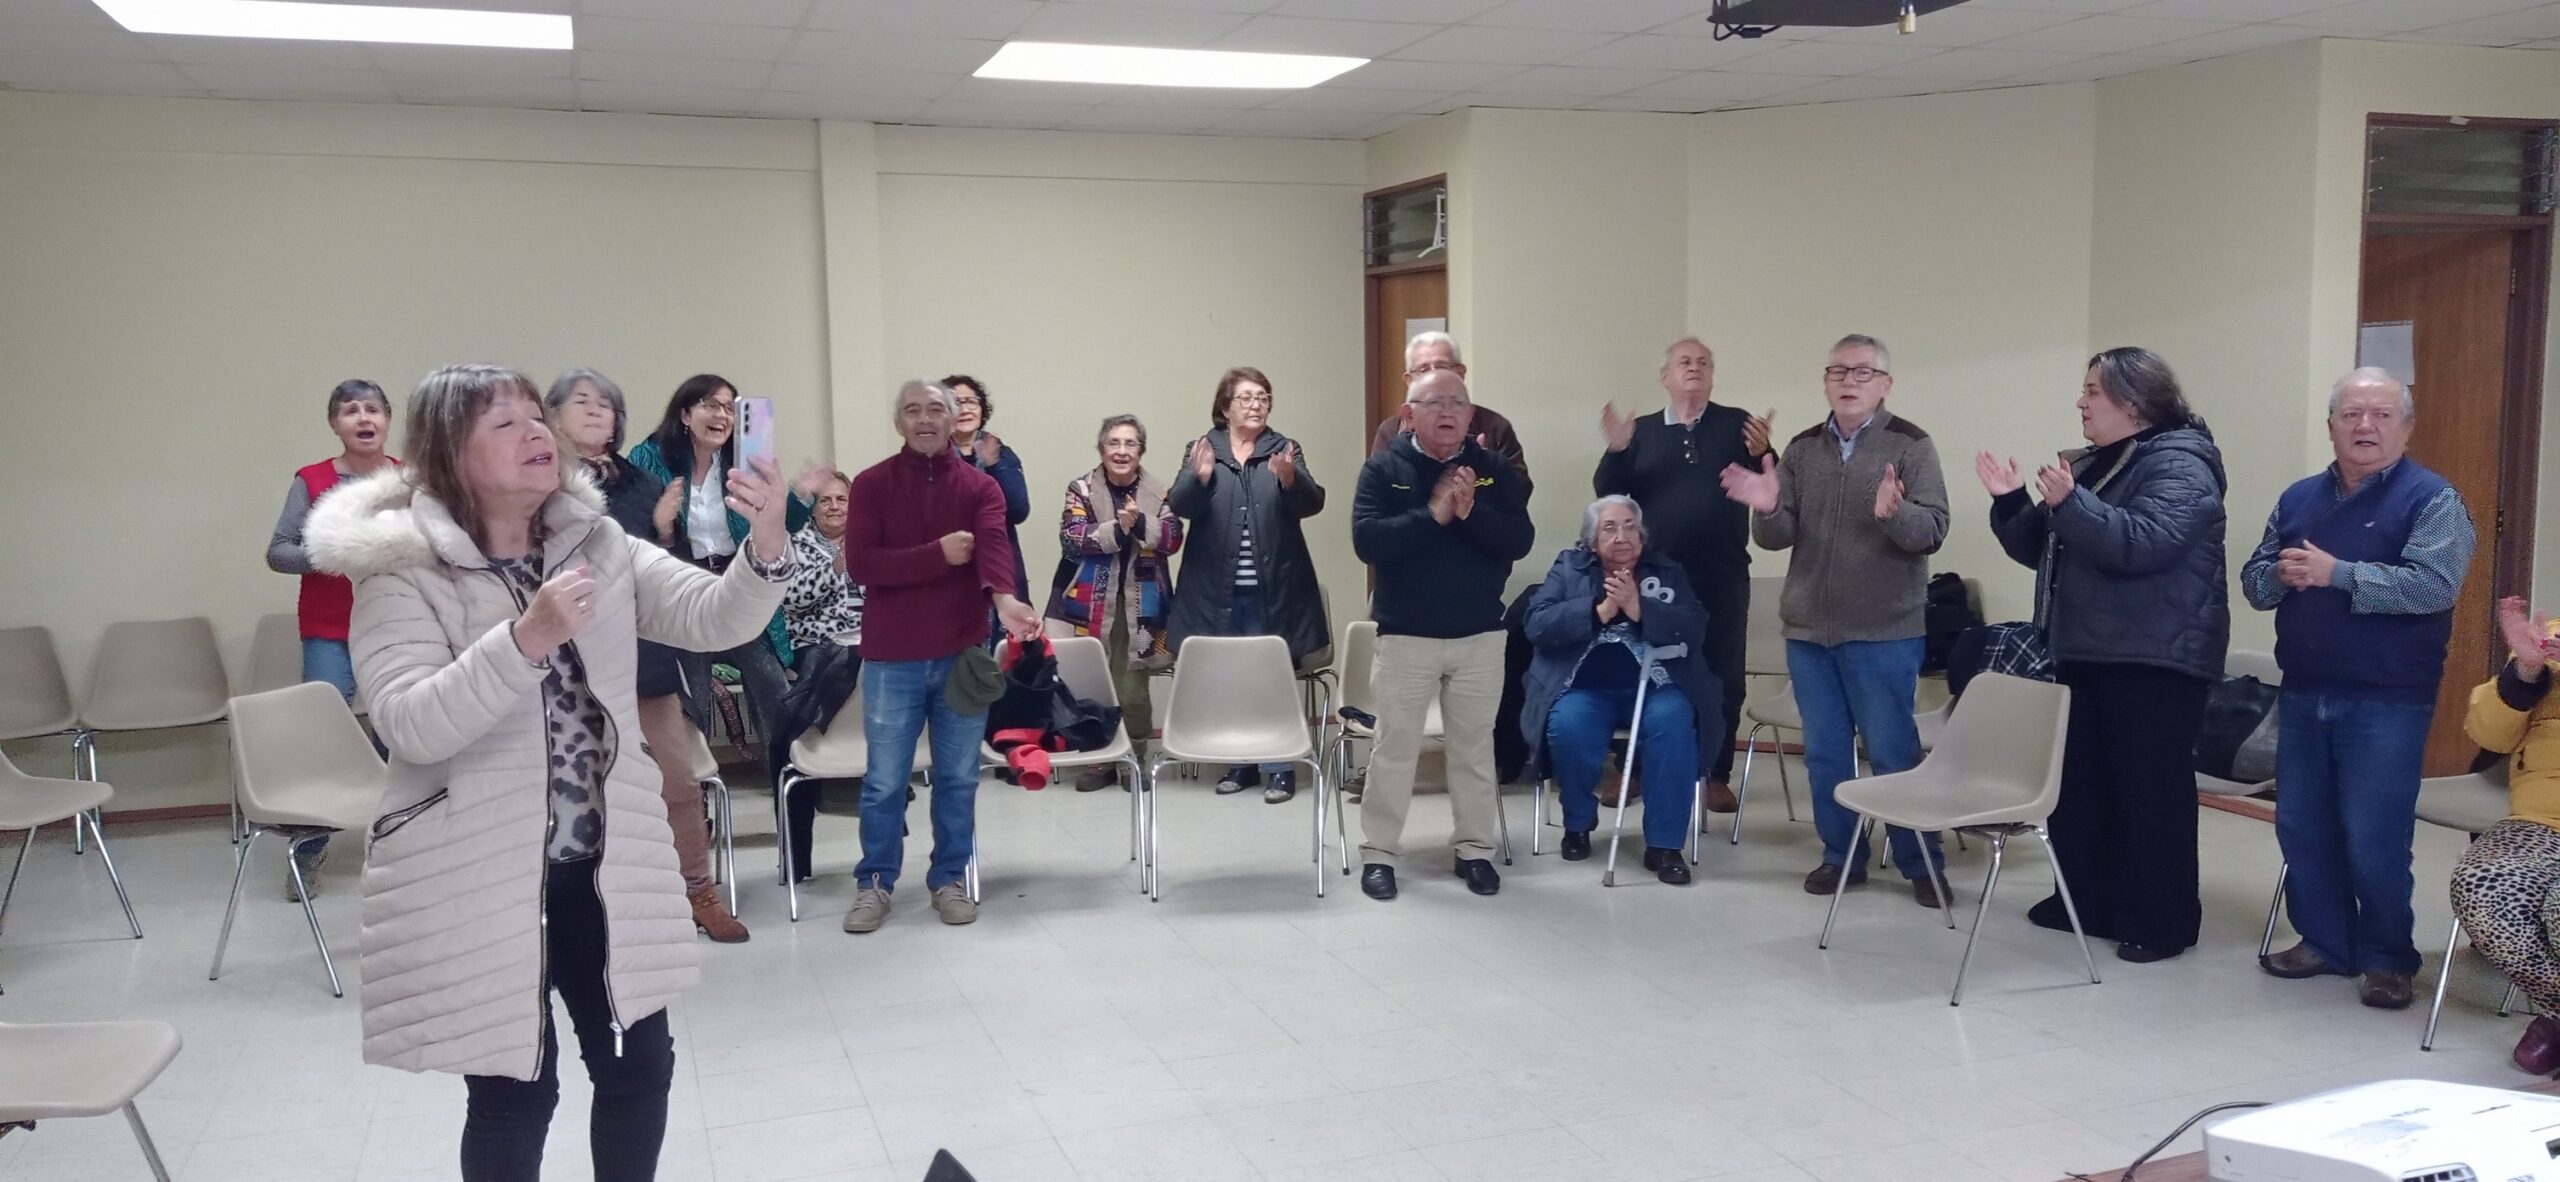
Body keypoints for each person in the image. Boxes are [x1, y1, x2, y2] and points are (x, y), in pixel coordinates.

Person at [304, 363, 794, 1180]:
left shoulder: (594, 540)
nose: (537, 433)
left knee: (640, 1067)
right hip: (483, 869)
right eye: (505, 423)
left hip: (603, 862)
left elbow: (712, 618)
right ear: (448, 454)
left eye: (537, 417)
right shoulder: (400, 568)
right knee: (514, 1095)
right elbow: (410, 723)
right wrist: (523, 639)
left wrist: (767, 541)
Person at [1981, 346, 2228, 963]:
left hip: (2156, 658)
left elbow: (2144, 544)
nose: (2080, 402)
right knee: (2084, 787)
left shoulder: (2183, 463)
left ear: (2135, 402)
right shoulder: (2095, 462)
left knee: (2149, 795)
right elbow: (2044, 547)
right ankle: (2087, 901)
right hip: (2088, 649)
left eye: (2093, 391)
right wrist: (2012, 500)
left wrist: (2072, 504)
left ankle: (2163, 921)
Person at [2246, 368, 2475, 1008]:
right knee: (2302, 826)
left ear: (2405, 427)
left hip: (2388, 698)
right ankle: (2324, 941)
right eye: (2350, 415)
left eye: (2379, 415)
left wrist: (2336, 573)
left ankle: (2386, 957)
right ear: (2331, 427)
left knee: (2374, 836)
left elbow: (2433, 587)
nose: (2364, 427)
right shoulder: (2297, 498)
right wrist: (2280, 575)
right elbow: (2254, 580)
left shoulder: (2433, 500)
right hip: (2303, 688)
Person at [1721, 334, 1952, 907]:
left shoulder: (1912, 444)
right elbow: (1775, 538)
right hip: (1808, 632)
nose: (1849, 381)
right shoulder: (1801, 449)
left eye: (1863, 372)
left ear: (1885, 385)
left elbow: (1934, 530)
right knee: (1825, 753)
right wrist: (1767, 504)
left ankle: (1919, 860)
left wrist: (1897, 513)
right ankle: (1840, 854)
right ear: (1826, 381)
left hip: (1884, 631)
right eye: (1838, 371)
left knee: (1892, 751)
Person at [546, 368, 751, 945]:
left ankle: (699, 893)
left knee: (677, 779)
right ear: (553, 414)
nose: (595, 411)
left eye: (606, 404)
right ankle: (597, 904)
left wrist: (664, 531)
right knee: (583, 789)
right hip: (570, 661)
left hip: (644, 655)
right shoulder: (544, 485)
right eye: (581, 401)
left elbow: (666, 572)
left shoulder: (638, 481)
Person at [838, 380, 1041, 934]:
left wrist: (1006, 597)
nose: (925, 419)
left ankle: (949, 879)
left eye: (936, 410)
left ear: (955, 421)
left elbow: (993, 549)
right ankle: (874, 883)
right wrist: (937, 555)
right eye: (912, 410)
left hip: (961, 655)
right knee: (883, 780)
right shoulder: (873, 485)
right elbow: (863, 565)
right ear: (898, 423)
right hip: (891, 659)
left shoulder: (981, 488)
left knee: (958, 778)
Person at [1350, 369, 1535, 901]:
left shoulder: (1493, 470)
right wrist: (1433, 515)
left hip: (1479, 634)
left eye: (1458, 402)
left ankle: (1474, 850)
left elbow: (1519, 539)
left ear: (1471, 415)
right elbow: (1369, 541)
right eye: (1434, 403)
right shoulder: (1384, 470)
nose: (1448, 411)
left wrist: (1471, 512)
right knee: (1395, 748)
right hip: (1407, 635)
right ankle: (1380, 854)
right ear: (1409, 415)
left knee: (1474, 750)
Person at [1597, 336, 1772, 818]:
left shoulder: (1739, 425)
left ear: (1712, 376)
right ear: (1665, 377)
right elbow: (1609, 496)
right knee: (1644, 672)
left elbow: (1767, 488)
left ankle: (1716, 774)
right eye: (1684, 362)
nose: (1694, 369)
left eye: (1703, 363)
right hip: (1656, 579)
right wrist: (1616, 450)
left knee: (1723, 676)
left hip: (1723, 574)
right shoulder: (1643, 431)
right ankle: (1632, 767)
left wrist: (1764, 452)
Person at [1521, 496, 1717, 885]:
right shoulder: (1569, 568)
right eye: (1610, 528)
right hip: (1585, 687)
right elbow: (1537, 624)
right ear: (1592, 541)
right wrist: (1601, 611)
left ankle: (1664, 844)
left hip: (1658, 688)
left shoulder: (1667, 570)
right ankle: (1578, 822)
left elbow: (1694, 627)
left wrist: (1640, 609)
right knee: (1568, 725)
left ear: (1642, 537)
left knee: (1675, 721)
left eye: (1630, 526)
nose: (1622, 535)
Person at [627, 375, 827, 748]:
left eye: (729, 407)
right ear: (686, 415)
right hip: (683, 585)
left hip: (736, 580)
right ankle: (697, 792)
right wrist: (662, 527)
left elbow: (779, 527)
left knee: (774, 688)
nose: (722, 414)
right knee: (694, 698)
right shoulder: (648, 458)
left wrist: (799, 496)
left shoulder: (746, 463)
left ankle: (789, 783)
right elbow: (634, 533)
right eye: (710, 404)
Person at [1166, 366, 1331, 804]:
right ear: (1225, 406)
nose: (1256, 404)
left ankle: (1279, 767)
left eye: (1263, 397)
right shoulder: (1201, 448)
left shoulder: (1285, 448)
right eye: (1246, 397)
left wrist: (1291, 480)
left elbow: (1311, 504)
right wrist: (1197, 477)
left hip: (1274, 587)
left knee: (1271, 679)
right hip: (1215, 591)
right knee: (1230, 680)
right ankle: (1239, 763)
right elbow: (1181, 506)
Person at [263, 378, 398, 899]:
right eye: (349, 411)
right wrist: (336, 552)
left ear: (387, 419)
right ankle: (308, 853)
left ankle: (400, 848)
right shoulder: (312, 479)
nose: (362, 418)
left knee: (400, 735)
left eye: (372, 410)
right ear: (334, 424)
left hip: (395, 629)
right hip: (328, 630)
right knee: (322, 738)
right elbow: (278, 551)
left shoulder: (408, 480)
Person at [2448, 597, 2560, 1073]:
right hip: (2540, 819)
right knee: (2482, 886)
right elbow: (2489, 734)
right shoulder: (2550, 638)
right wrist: (2526, 676)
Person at [1048, 414, 1182, 791]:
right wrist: (1117, 529)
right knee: (1091, 680)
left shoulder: (1158, 491)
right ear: (1101, 448)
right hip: (1085, 603)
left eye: (1130, 444)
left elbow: (1172, 538)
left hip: (1143, 605)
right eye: (1114, 443)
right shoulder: (1081, 488)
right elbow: (1072, 538)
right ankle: (1100, 759)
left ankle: (1135, 757)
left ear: (1141, 450)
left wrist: (1140, 524)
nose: (1122, 451)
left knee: (1132, 687)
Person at [1367, 331, 1532, 493]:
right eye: (1423, 370)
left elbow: (1520, 491)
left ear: (1461, 373)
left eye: (1441, 367)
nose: (1433, 376)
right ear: (1409, 380)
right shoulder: (1391, 431)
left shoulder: (1494, 426)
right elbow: (1376, 497)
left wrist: (1486, 467)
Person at [944, 374, 1034, 624]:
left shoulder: (1001, 454)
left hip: (1000, 566)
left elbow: (1019, 511)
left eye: (971, 402)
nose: (964, 409)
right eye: (954, 403)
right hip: (953, 574)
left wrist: (994, 466)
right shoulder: (930, 460)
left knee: (1007, 652)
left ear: (982, 409)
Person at [785, 469, 865, 674]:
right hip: (816, 639)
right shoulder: (794, 542)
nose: (835, 507)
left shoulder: (869, 540)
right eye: (825, 501)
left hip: (868, 636)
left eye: (841, 499)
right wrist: (835, 568)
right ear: (812, 509)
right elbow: (792, 599)